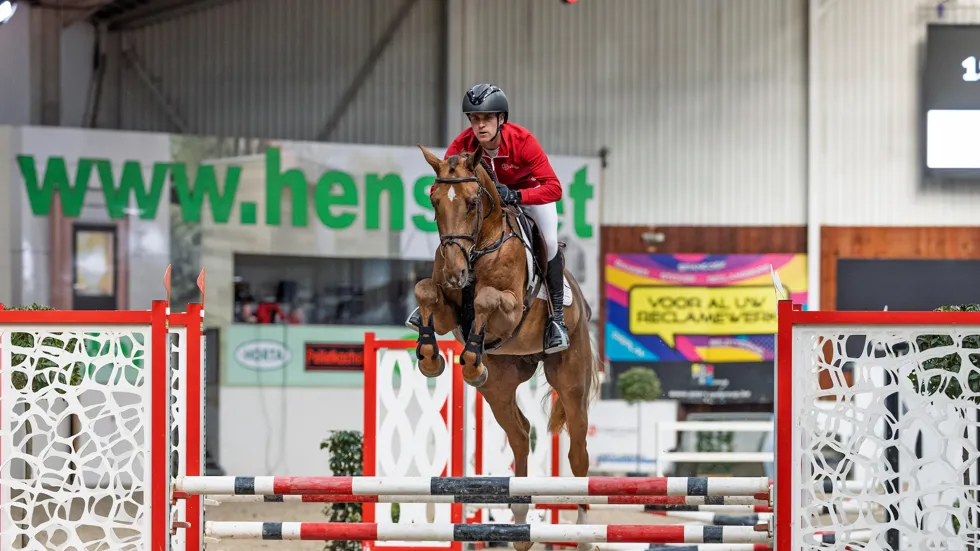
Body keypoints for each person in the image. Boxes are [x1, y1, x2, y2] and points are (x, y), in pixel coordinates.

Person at [406, 83, 569, 354]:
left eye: (486, 118)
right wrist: (440, 193)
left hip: (526, 197)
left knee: (550, 241)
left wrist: (517, 195)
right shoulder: (462, 144)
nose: (480, 126)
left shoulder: (523, 141)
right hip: (484, 206)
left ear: (501, 119)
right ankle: (437, 298)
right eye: (475, 119)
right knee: (457, 235)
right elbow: (446, 182)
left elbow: (554, 188)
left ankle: (556, 320)